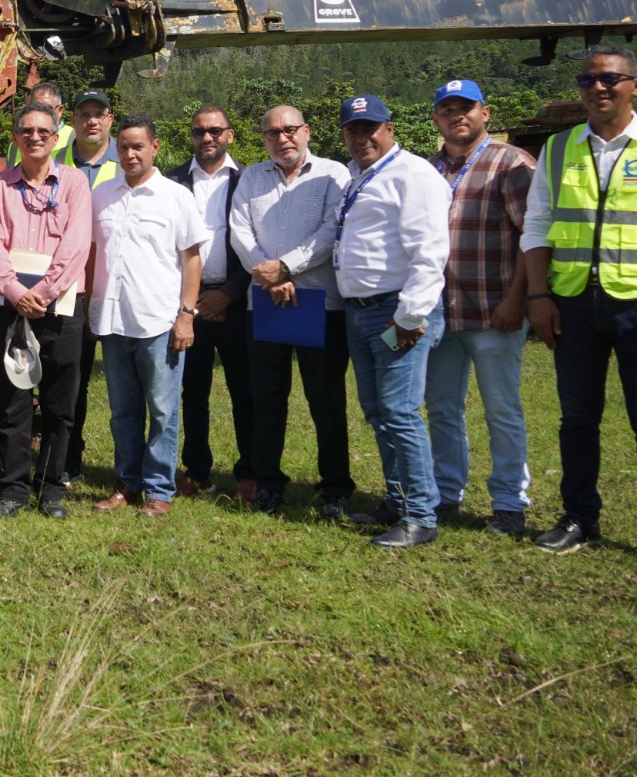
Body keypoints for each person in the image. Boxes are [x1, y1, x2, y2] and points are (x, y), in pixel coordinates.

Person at [523, 46, 637, 553]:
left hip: (633, 301)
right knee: (577, 418)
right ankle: (578, 517)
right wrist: (538, 295)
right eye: (588, 80)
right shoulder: (560, 146)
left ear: (633, 85)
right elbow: (538, 225)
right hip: (571, 301)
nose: (599, 87)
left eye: (611, 78)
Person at [334, 95, 451, 549]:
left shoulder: (414, 174)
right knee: (379, 412)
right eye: (353, 130)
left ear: (390, 128)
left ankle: (421, 515)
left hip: (396, 311)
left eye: (370, 128)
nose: (362, 137)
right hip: (360, 310)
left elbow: (430, 252)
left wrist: (410, 314)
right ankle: (397, 501)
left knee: (401, 413)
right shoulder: (358, 176)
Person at [229, 106, 355, 517]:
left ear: (307, 131)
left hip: (320, 303)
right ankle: (268, 483)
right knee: (267, 396)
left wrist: (287, 266)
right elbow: (240, 230)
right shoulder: (252, 177)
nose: (282, 139)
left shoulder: (333, 173)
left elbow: (332, 229)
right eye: (272, 133)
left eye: (290, 130)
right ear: (263, 138)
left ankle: (335, 486)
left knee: (326, 399)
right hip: (264, 301)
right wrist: (268, 273)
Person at [424, 79, 535, 537]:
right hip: (441, 314)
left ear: (485, 112)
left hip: (495, 311)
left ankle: (510, 502)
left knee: (502, 409)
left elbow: (534, 238)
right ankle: (448, 492)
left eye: (465, 108)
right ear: (436, 118)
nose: (457, 116)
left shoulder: (511, 164)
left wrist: (518, 301)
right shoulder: (427, 170)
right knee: (442, 407)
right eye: (447, 109)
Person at [89, 116, 209, 519]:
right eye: (123, 147)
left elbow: (192, 261)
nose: (130, 154)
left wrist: (187, 315)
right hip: (113, 320)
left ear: (155, 147)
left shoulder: (176, 196)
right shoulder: (102, 194)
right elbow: (92, 256)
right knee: (123, 410)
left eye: (138, 146)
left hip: (158, 321)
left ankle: (159, 488)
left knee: (162, 409)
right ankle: (126, 482)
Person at [0, 101, 92, 520]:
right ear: (15, 138)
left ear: (56, 135)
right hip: (10, 309)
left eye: (43, 131)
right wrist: (14, 292)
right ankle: (13, 490)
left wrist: (42, 293)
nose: (35, 137)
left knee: (61, 404)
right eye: (26, 131)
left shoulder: (76, 184)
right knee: (12, 400)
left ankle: (51, 490)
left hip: (61, 309)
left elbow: (76, 246)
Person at [164, 106, 255, 498]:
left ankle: (250, 472)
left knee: (245, 390)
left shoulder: (250, 181)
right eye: (199, 132)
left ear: (230, 135)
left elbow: (259, 241)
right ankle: (197, 469)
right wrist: (194, 300)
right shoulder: (172, 182)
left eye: (215, 131)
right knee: (192, 390)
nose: (207, 138)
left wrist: (229, 292)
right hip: (187, 304)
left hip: (236, 300)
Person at [58, 89, 119, 486]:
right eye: (84, 114)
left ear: (110, 119)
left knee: (123, 384)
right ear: (73, 121)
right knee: (71, 382)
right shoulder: (57, 162)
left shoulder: (129, 158)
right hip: (71, 290)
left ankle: (127, 465)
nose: (92, 121)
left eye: (99, 114)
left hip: (116, 291)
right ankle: (68, 459)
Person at [3, 81, 75, 164]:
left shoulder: (75, 138)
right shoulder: (15, 145)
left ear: (60, 110)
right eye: (35, 107)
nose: (41, 113)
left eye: (48, 108)